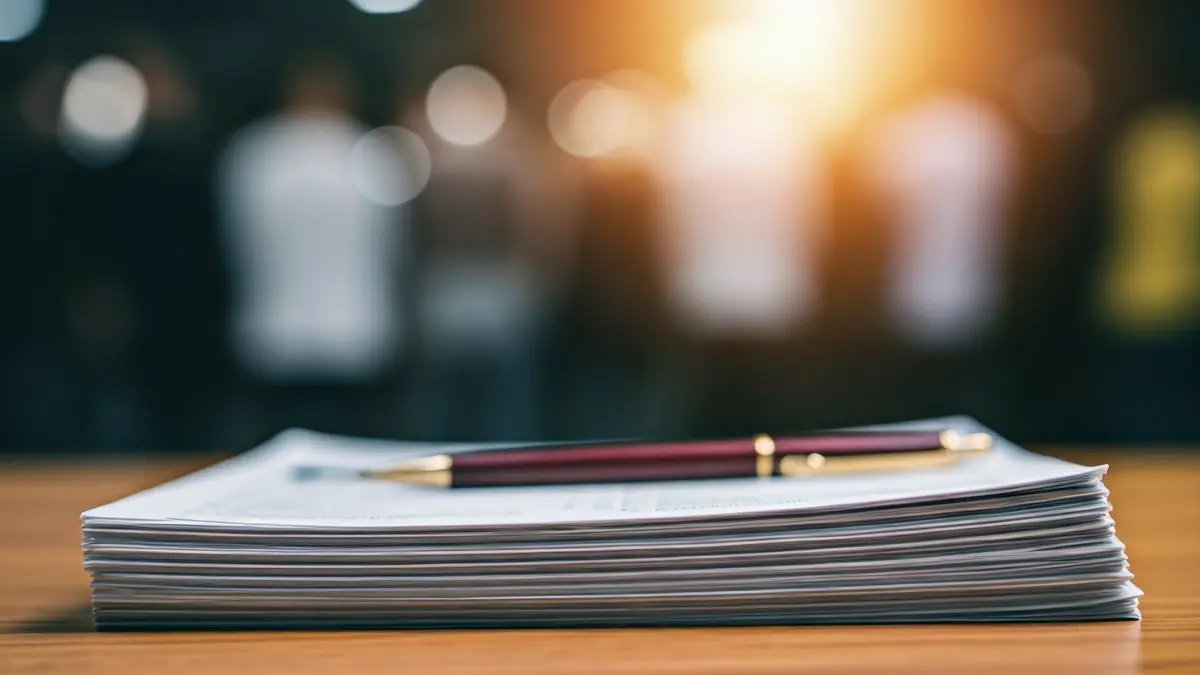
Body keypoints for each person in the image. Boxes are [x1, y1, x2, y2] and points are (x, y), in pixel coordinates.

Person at [216, 51, 407, 442]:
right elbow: (393, 247)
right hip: (356, 330)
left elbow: (238, 244)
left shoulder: (254, 153)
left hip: (275, 330)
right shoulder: (371, 153)